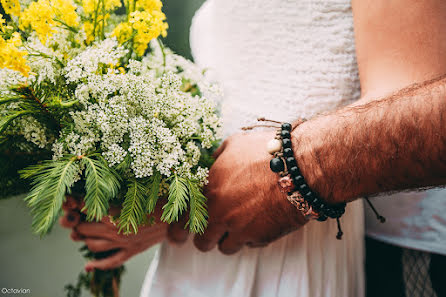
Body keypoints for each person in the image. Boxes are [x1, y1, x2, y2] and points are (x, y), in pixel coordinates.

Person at [61, 0, 446, 296]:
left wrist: (191, 205)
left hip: (304, 239)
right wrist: (158, 199)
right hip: (205, 249)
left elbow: (409, 113)